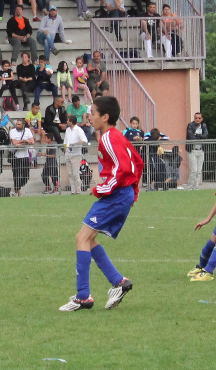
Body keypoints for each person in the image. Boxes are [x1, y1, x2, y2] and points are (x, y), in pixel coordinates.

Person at [59, 96, 143, 312]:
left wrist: (101, 189)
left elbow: (123, 169)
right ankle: (118, 282)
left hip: (115, 195)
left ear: (105, 117)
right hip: (121, 194)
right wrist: (133, 193)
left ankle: (83, 296)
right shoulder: (118, 136)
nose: (89, 117)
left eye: (93, 113)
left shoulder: (108, 138)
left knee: (81, 238)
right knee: (88, 239)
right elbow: (138, 162)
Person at [183, 112, 209, 191]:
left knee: (198, 171)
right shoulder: (190, 125)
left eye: (199, 118)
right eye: (196, 118)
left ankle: (196, 187)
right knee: (193, 170)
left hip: (201, 150)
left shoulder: (203, 126)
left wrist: (198, 135)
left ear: (202, 119)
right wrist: (199, 137)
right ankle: (190, 186)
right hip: (192, 150)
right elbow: (191, 136)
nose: (197, 119)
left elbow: (206, 135)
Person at [9, 119, 34, 197]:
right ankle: (17, 191)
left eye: (19, 124)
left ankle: (15, 189)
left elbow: (32, 141)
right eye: (17, 124)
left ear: (23, 125)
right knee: (16, 175)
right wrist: (24, 141)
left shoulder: (27, 130)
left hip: (25, 155)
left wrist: (21, 142)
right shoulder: (12, 131)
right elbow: (14, 142)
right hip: (16, 156)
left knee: (26, 176)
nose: (17, 126)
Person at [64, 115, 88, 195]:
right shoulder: (67, 130)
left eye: (68, 120)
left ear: (71, 121)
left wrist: (74, 145)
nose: (67, 122)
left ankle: (78, 190)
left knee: (75, 173)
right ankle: (73, 191)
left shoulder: (78, 130)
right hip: (68, 153)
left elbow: (84, 140)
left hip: (76, 154)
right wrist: (65, 150)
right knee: (70, 174)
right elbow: (65, 141)